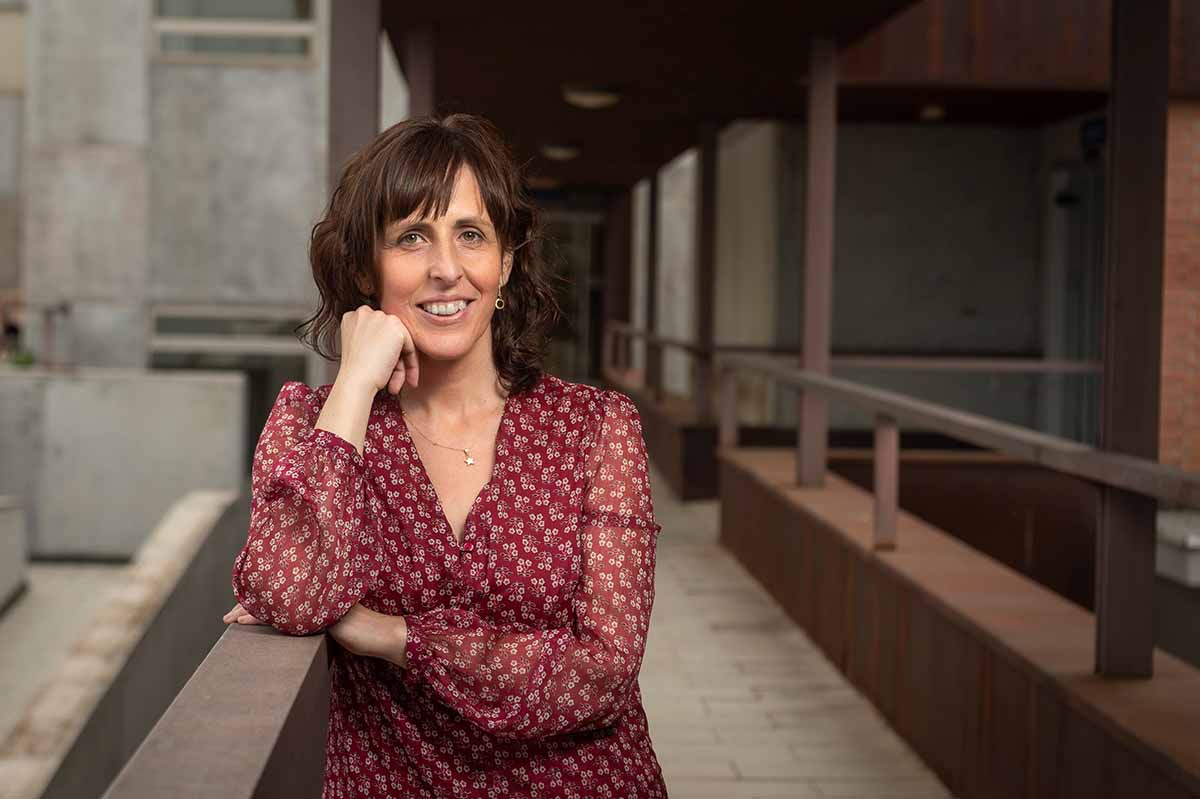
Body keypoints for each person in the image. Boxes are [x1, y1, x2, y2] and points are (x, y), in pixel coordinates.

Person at [222, 114, 668, 798]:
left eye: (470, 235)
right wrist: (354, 386)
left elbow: (604, 672)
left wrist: (392, 636)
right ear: (368, 267)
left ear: (507, 260)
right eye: (411, 237)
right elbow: (291, 594)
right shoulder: (314, 424)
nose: (445, 269)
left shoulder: (595, 428)